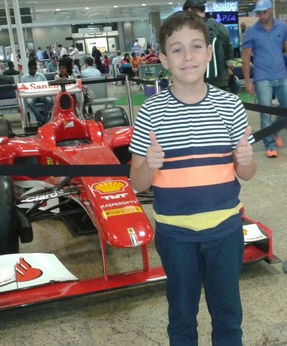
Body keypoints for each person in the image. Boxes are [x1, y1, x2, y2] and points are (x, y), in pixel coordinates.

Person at [129, 11, 256, 346]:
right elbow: (137, 183)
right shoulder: (150, 112)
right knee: (182, 317)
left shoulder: (230, 106)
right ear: (164, 60)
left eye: (196, 47)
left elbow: (246, 173)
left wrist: (245, 161)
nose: (188, 57)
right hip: (175, 235)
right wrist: (148, 165)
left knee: (229, 316)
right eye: (177, 49)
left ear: (210, 53)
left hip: (226, 230)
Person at [242, 0, 287, 158]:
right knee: (265, 112)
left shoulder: (282, 27)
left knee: (285, 107)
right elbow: (246, 57)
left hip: (281, 74)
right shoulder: (251, 31)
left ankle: (274, 131)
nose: (260, 16)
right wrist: (248, 80)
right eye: (258, 13)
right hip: (262, 77)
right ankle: (270, 144)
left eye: (263, 12)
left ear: (270, 10)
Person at [183, 0, 234, 90]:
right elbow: (229, 53)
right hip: (220, 79)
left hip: (197, 79)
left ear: (189, 11)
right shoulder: (219, 27)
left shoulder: (190, 29)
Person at [20, 59, 53, 125]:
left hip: (42, 95)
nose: (34, 71)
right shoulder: (24, 78)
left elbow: (46, 86)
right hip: (31, 96)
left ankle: (43, 116)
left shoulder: (41, 76)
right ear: (29, 68)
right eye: (32, 69)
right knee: (29, 102)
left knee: (49, 100)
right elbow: (22, 90)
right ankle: (41, 118)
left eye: (35, 69)